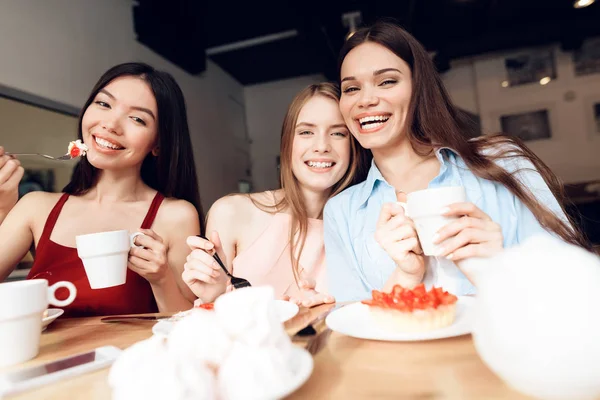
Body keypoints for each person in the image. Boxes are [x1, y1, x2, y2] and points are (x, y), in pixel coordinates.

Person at [324, 21, 588, 302]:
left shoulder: (504, 162)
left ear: (419, 87)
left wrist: (497, 267)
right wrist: (406, 277)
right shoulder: (342, 212)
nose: (366, 100)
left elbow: (579, 291)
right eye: (351, 89)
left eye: (387, 81)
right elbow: (350, 328)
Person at [0, 62, 203, 316]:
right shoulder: (35, 207)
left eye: (137, 119)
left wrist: (162, 279)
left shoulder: (176, 216)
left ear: (158, 143)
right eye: (104, 104)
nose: (111, 124)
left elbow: (190, 324)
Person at [182, 83, 370, 307]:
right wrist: (214, 296)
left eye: (338, 133)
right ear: (287, 143)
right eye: (306, 132)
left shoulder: (364, 226)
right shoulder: (232, 212)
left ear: (354, 146)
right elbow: (211, 326)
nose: (322, 146)